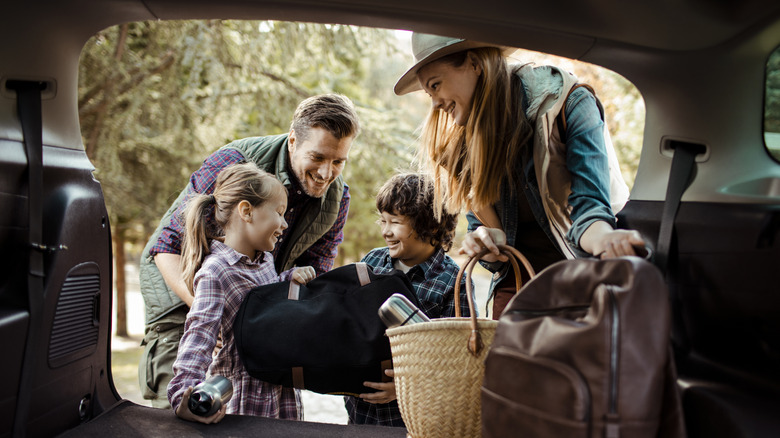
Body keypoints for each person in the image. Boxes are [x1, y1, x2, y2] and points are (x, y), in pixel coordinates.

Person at [394, 33, 646, 317]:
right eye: (430, 94)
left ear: (474, 63)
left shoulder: (568, 103)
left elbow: (591, 212)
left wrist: (607, 241)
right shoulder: (463, 148)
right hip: (518, 293)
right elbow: (495, 252)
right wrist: (484, 242)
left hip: (581, 281)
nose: (436, 104)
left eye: (435, 85)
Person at [138, 94, 360, 408]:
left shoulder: (338, 199)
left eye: (338, 161)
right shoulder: (234, 160)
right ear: (293, 140)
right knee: (181, 413)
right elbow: (166, 247)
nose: (326, 172)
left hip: (251, 310)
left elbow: (313, 279)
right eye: (318, 157)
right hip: (183, 294)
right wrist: (216, 318)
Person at [168, 162, 316, 423]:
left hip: (280, 393)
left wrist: (287, 279)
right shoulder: (216, 271)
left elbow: (263, 300)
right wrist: (184, 396)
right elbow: (198, 337)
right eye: (279, 213)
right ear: (247, 211)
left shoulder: (264, 261)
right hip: (245, 399)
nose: (283, 224)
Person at [343, 172, 475, 427]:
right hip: (360, 415)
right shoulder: (372, 262)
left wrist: (403, 388)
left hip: (413, 419)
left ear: (432, 225)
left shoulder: (454, 282)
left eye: (395, 222)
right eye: (382, 221)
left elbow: (460, 361)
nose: (385, 231)